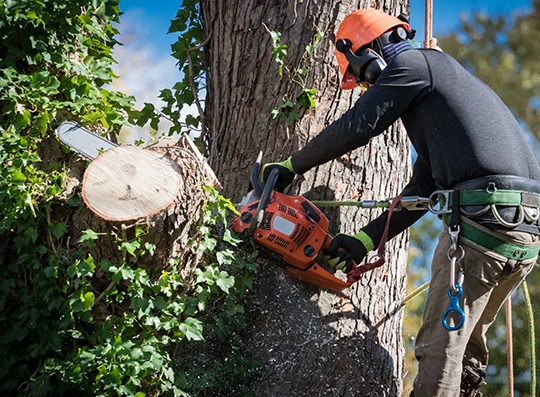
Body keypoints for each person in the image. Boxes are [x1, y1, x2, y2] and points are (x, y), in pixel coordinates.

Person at [261, 8, 540, 397]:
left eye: (359, 79)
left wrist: (292, 165)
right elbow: (425, 190)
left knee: (438, 355)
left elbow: (358, 125)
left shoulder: (412, 65)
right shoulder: (441, 87)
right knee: (465, 358)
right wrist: (365, 239)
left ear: (364, 54)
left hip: (482, 228)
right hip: (519, 236)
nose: (363, 87)